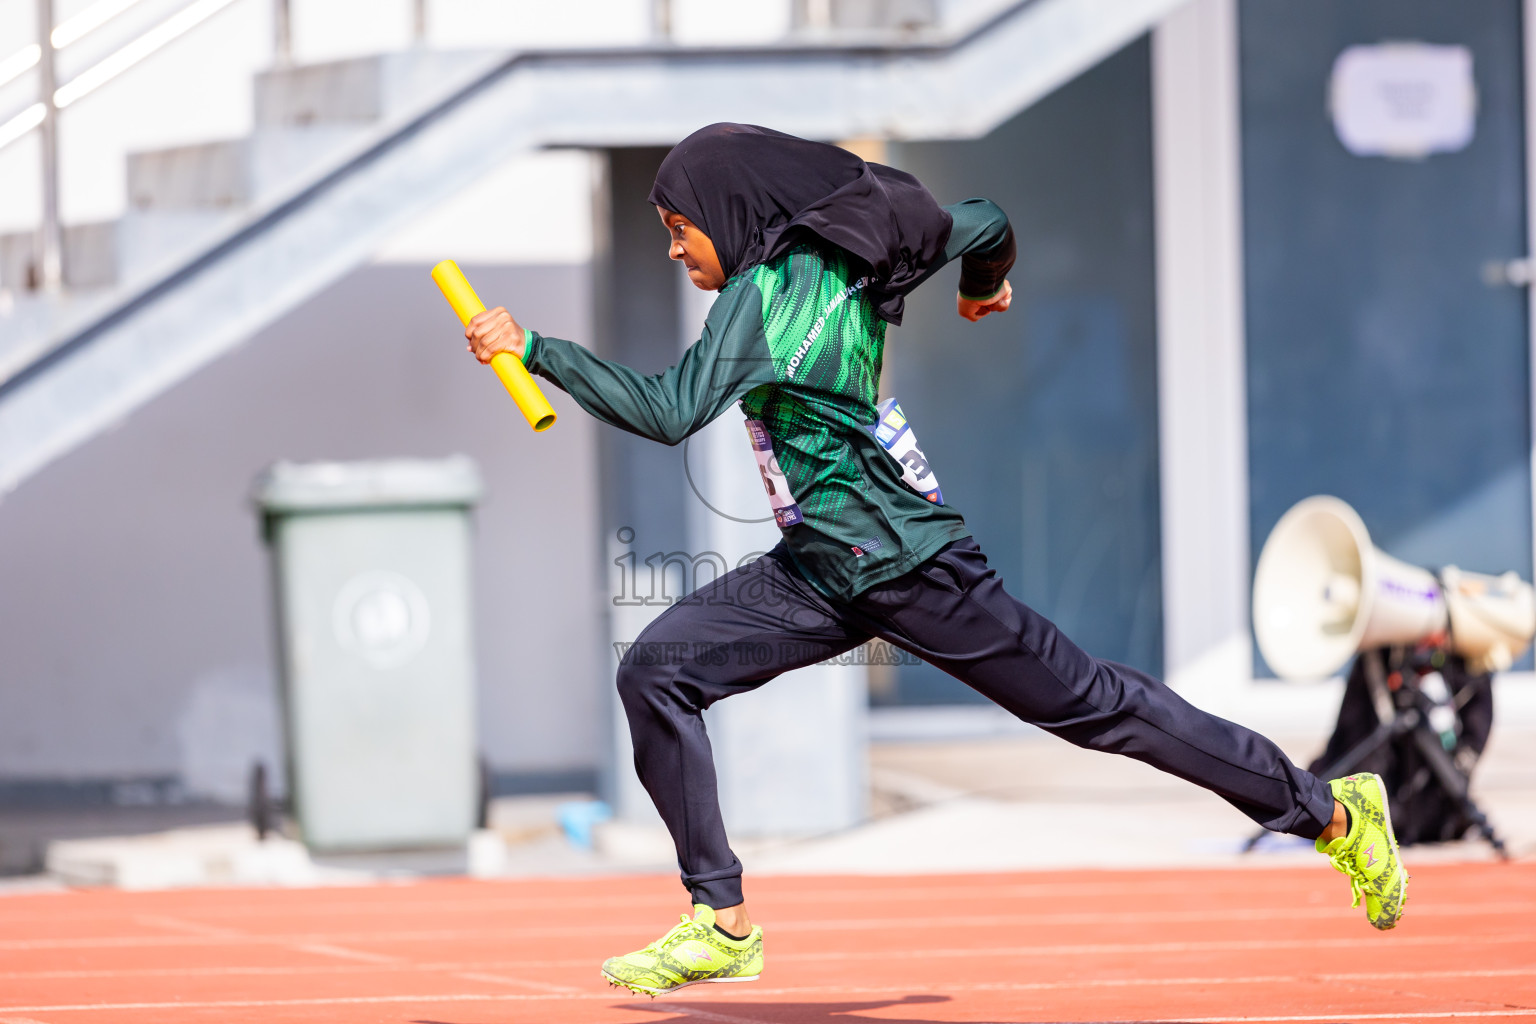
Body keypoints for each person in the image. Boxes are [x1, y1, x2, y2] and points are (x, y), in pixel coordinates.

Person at [463, 123, 1406, 997]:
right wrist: (979, 281)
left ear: (727, 214)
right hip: (823, 568)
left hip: (913, 569)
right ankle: (721, 919)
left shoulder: (764, 297)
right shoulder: (861, 253)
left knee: (1100, 710)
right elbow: (986, 220)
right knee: (658, 672)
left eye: (679, 229)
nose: (676, 250)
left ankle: (1330, 810)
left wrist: (535, 348)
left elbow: (669, 413)